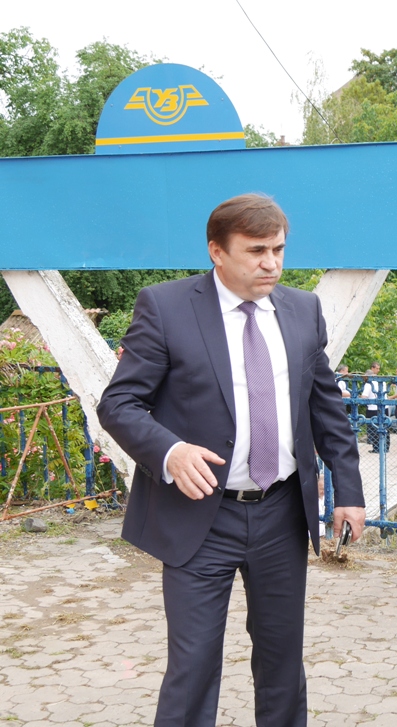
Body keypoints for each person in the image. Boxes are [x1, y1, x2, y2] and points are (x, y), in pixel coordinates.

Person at [97, 193, 365, 727]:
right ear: (217, 251)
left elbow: (326, 407)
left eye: (278, 250)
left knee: (282, 662)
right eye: (256, 251)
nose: (271, 263)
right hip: (200, 516)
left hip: (281, 513)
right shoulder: (166, 308)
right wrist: (170, 451)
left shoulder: (303, 310)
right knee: (193, 666)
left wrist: (349, 493)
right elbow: (119, 403)